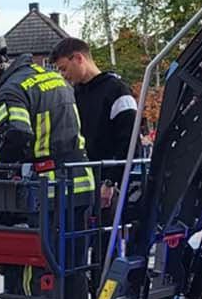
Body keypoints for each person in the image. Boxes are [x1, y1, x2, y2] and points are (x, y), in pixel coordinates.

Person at [0, 37, 94, 299]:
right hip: (81, 184)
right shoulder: (49, 77)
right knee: (72, 267)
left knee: (38, 265)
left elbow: (17, 138)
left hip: (48, 191)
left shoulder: (11, 91)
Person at [49, 37, 137, 210]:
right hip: (83, 185)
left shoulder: (117, 91)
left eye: (64, 68)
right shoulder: (74, 94)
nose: (63, 75)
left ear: (79, 58)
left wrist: (111, 183)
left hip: (109, 187)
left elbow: (131, 144)